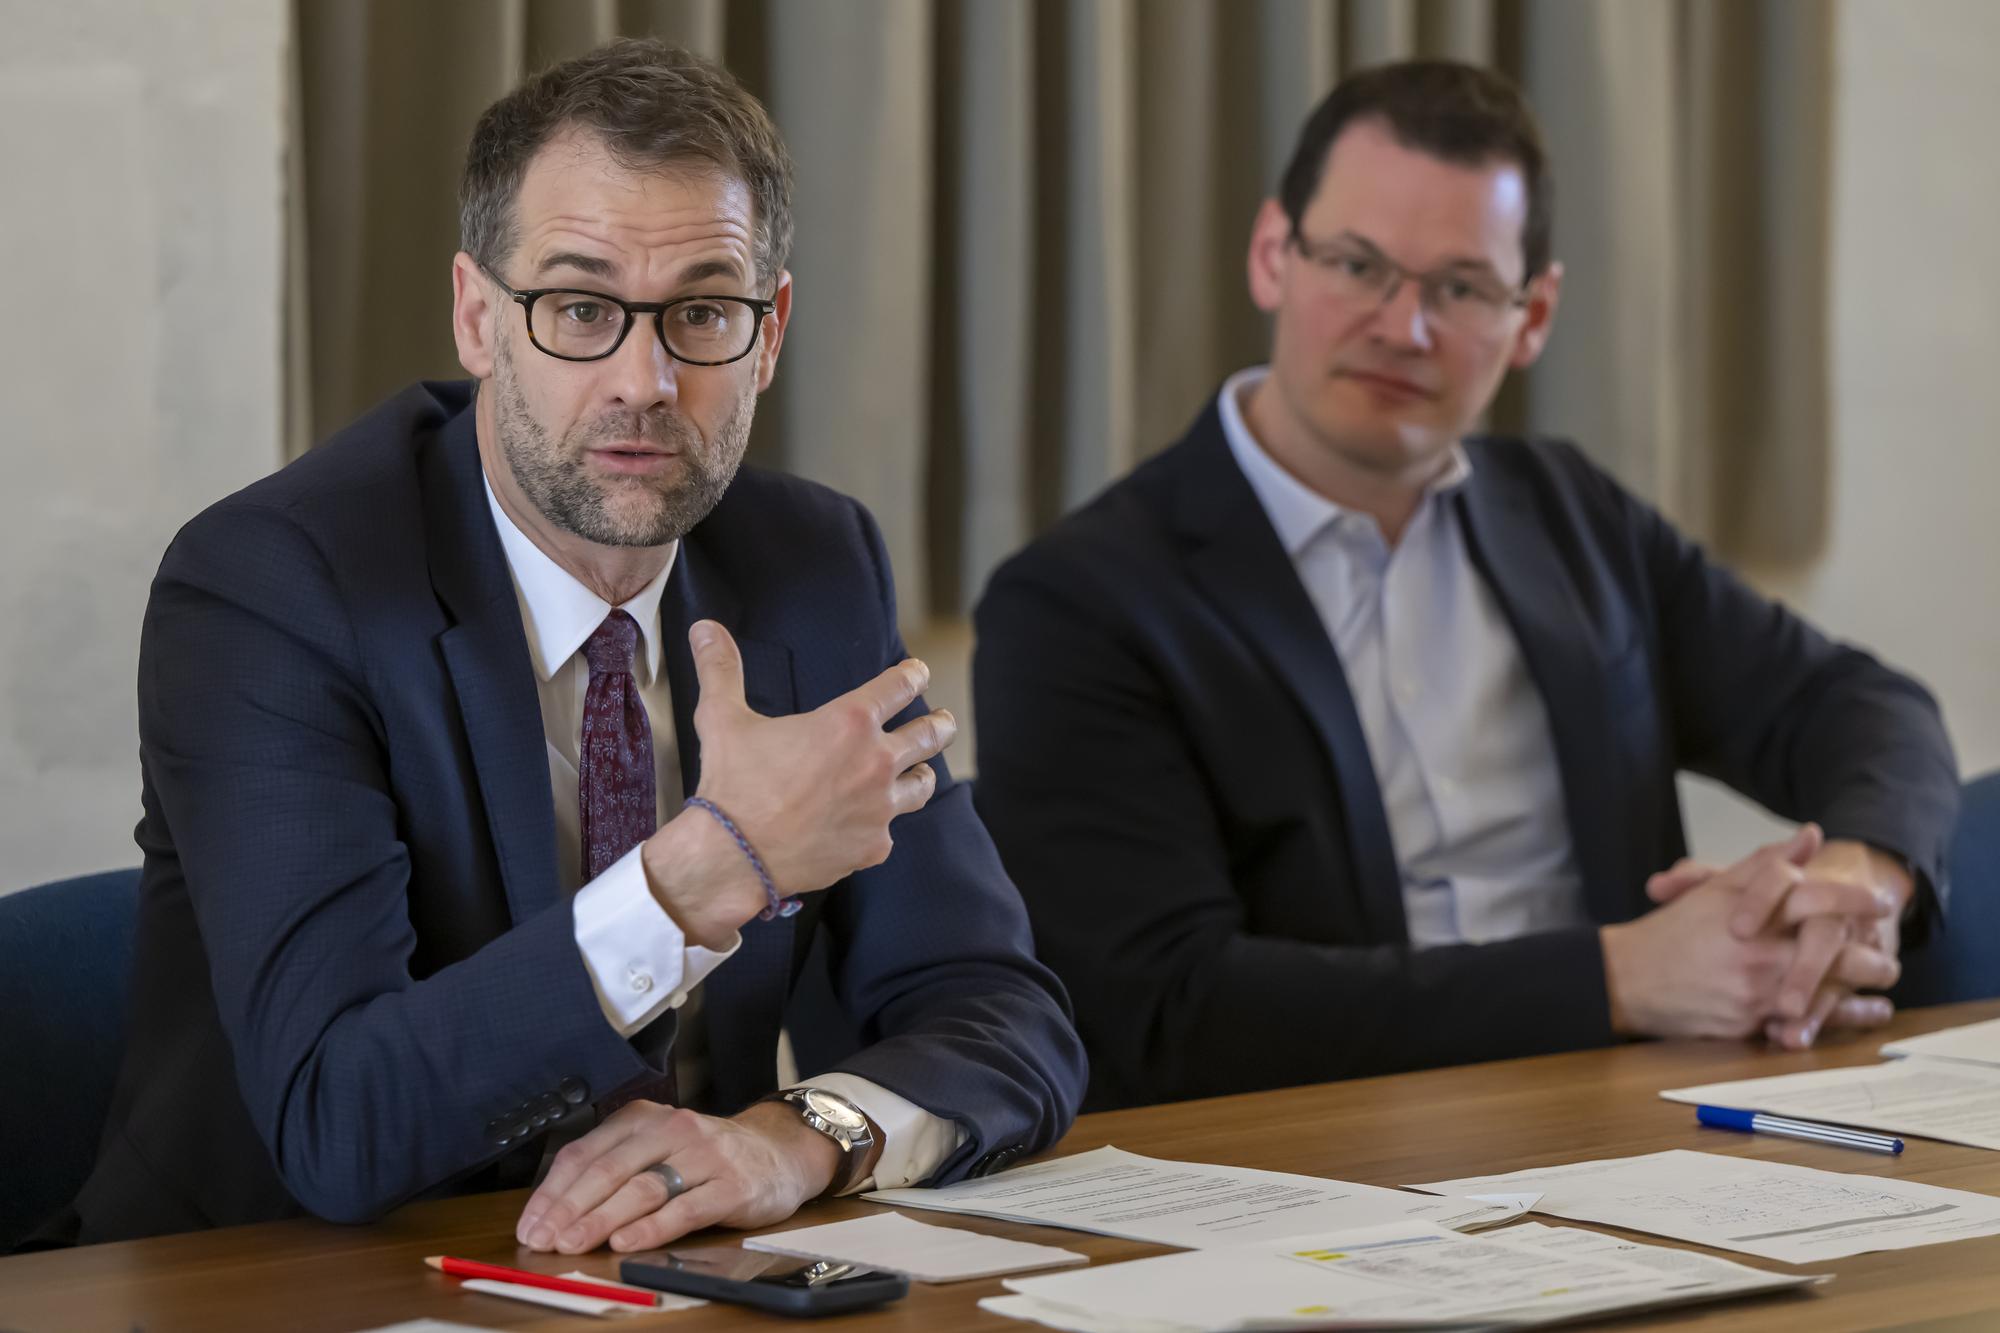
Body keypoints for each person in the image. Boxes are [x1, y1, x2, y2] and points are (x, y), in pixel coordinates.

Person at [55, 38, 1084, 1250]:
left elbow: (1002, 1014)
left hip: (673, 1281)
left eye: (702, 309)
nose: (644, 380)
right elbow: (339, 1120)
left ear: (769, 330)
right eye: (580, 307)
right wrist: (706, 874)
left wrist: (795, 1136)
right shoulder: (278, 587)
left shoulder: (807, 564)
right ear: (478, 318)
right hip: (283, 1279)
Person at [971, 60, 1958, 1112]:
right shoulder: (1078, 601)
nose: (1403, 327)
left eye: (1458, 288)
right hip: (1319, 1162)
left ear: (1531, 315)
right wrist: (1624, 975)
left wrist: (1855, 880)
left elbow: (1857, 707)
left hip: (1640, 1116)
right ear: (1272, 256)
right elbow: (1160, 1010)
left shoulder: (1570, 513)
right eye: (1356, 265)